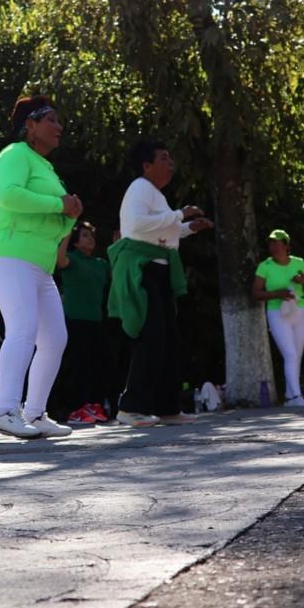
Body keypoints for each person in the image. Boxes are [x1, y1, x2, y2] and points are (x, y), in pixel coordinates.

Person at [0, 96, 81, 440]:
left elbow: (55, 228)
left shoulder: (47, 168)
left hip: (39, 265)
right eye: (51, 120)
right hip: (9, 256)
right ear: (31, 125)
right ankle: (6, 410)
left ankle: (35, 413)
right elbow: (9, 196)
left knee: (54, 339)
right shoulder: (14, 155)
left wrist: (69, 215)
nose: (59, 127)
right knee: (22, 329)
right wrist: (59, 204)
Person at [111, 140, 213, 426]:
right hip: (143, 269)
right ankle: (130, 407)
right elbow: (137, 225)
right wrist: (181, 215)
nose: (171, 163)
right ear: (147, 165)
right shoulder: (140, 187)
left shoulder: (155, 194)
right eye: (164, 158)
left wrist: (189, 228)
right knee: (151, 336)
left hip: (160, 270)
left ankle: (167, 407)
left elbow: (165, 230)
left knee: (169, 339)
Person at [56, 221, 110, 424]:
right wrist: (67, 234)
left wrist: (118, 246)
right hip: (74, 320)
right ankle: (75, 409)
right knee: (78, 366)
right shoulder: (71, 259)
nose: (91, 238)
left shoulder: (100, 264)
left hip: (96, 320)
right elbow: (59, 260)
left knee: (97, 365)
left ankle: (93, 405)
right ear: (76, 242)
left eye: (91, 235)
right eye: (85, 235)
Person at [253, 229, 304, 407]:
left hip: (299, 312)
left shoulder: (299, 262)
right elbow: (255, 293)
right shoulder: (265, 266)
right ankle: (296, 397)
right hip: (277, 313)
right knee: (290, 354)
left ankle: (289, 395)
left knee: (296, 356)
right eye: (271, 242)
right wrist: (276, 294)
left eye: (277, 242)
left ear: (286, 245)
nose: (273, 245)